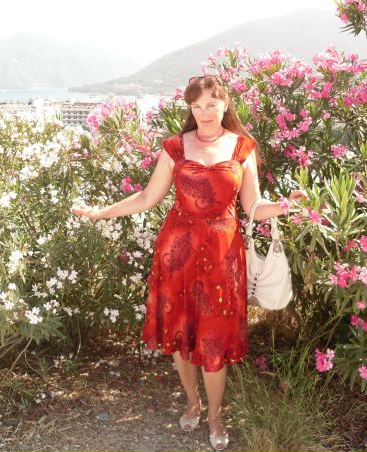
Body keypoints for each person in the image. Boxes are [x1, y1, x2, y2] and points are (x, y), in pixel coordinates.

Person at [71, 74, 307, 451]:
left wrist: (285, 206)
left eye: (211, 104)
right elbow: (147, 197)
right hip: (177, 253)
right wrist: (100, 213)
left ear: (225, 104)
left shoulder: (242, 148)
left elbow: (252, 205)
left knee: (214, 340)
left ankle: (215, 415)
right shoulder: (176, 147)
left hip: (223, 257)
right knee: (181, 335)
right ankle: (192, 403)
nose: (204, 112)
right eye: (197, 106)